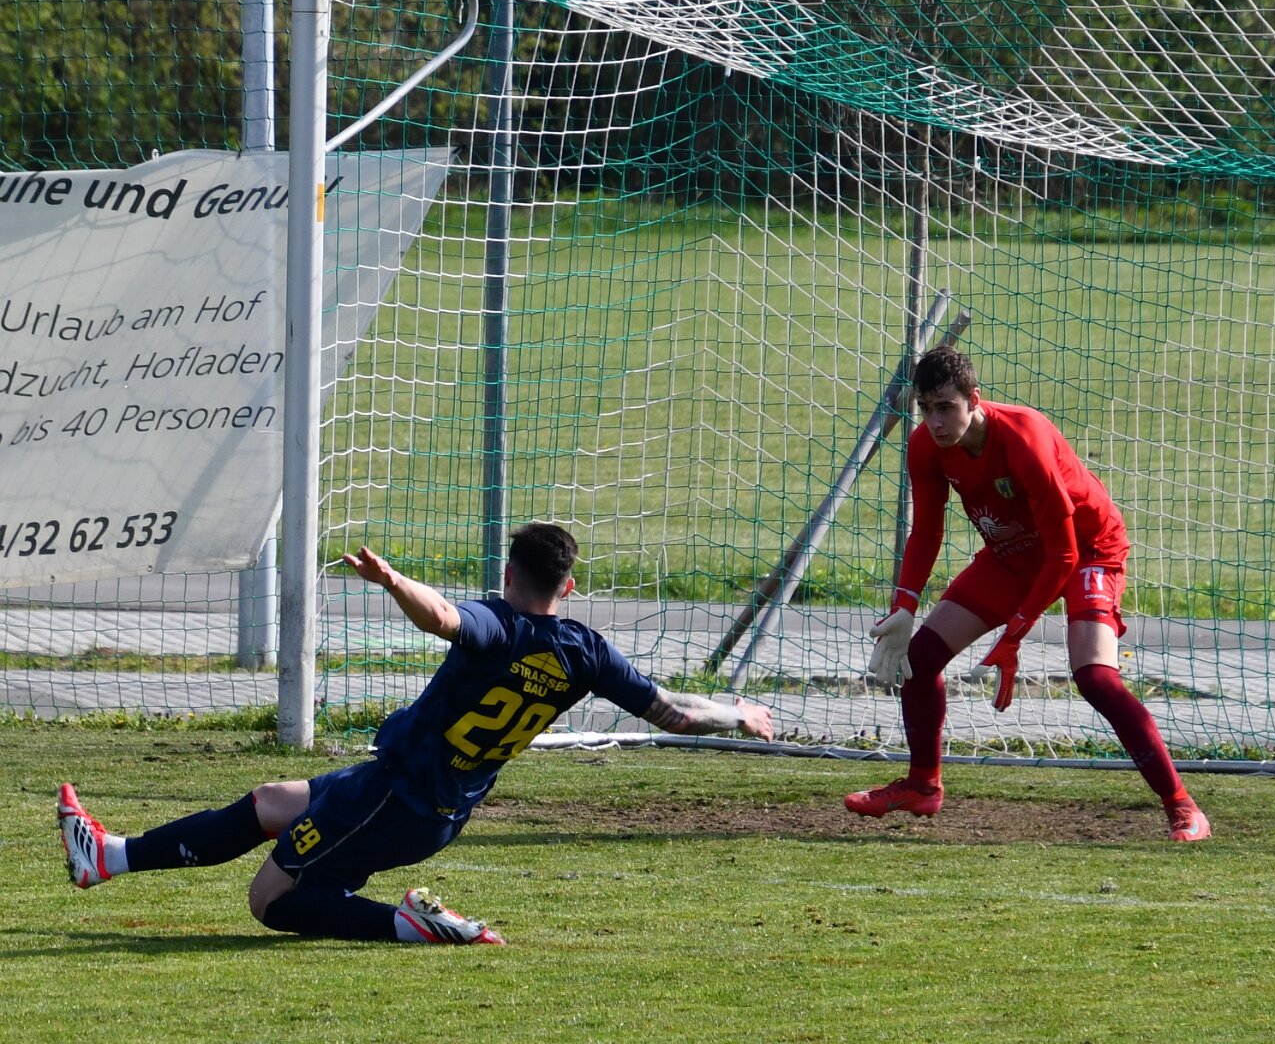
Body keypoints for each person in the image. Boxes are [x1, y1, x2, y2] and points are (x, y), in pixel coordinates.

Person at [59, 521, 774, 944]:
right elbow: (673, 713)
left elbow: (444, 618)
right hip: (428, 802)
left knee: (269, 903)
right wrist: (737, 714)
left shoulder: (498, 626)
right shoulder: (586, 652)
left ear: (507, 573)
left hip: (392, 796)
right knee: (273, 800)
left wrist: (395, 581)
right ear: (568, 586)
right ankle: (107, 857)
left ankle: (413, 925)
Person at [844, 345, 1210, 842]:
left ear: (975, 399)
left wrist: (1015, 633)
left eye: (946, 407)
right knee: (920, 660)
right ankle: (922, 786)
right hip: (1014, 555)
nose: (935, 421)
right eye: (926, 409)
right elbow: (926, 531)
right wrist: (904, 605)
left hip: (1087, 549)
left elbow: (1064, 554)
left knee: (1096, 678)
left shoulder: (1024, 437)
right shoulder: (926, 446)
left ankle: (1182, 806)